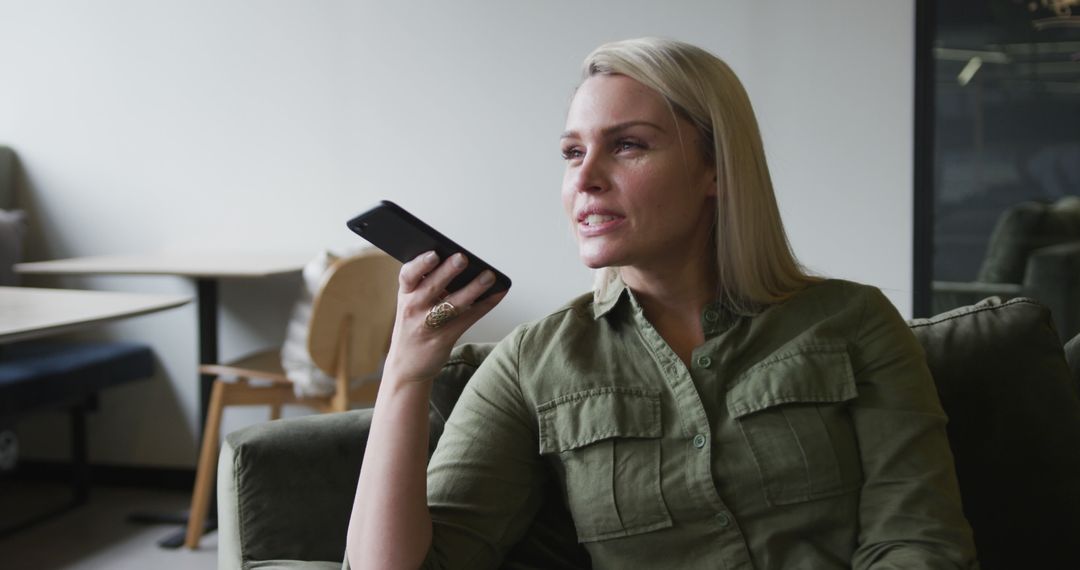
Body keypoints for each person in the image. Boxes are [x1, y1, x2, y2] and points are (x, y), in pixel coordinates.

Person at [346, 37, 978, 569]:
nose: (586, 177)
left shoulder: (854, 323)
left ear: (717, 170)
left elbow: (920, 542)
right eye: (572, 152)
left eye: (628, 145)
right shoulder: (531, 365)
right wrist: (407, 370)